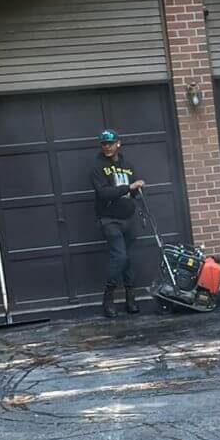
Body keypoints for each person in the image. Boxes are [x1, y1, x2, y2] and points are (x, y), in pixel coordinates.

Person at [91, 128, 145, 318]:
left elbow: (134, 190)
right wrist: (128, 187)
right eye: (104, 143)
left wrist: (138, 189)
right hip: (109, 220)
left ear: (118, 143)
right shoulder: (98, 167)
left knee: (128, 258)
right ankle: (108, 299)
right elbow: (103, 193)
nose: (107, 146)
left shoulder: (127, 165)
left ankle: (131, 300)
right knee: (119, 257)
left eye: (110, 143)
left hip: (128, 219)